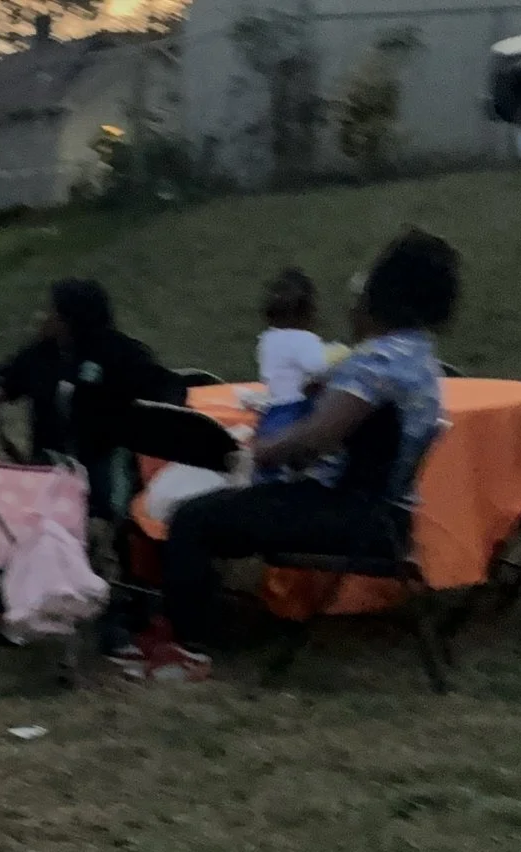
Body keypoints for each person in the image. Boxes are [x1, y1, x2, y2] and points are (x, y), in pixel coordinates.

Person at [150, 230, 459, 684]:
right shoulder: (421, 357)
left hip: (350, 515)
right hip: (389, 517)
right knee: (227, 514)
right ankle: (225, 617)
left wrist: (251, 454)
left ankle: (194, 643)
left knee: (192, 520)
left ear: (380, 296)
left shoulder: (376, 362)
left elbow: (313, 440)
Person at [0, 278, 183, 518]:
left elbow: (167, 388)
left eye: (51, 311)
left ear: (70, 318)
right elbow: (5, 375)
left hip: (103, 461)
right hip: (49, 462)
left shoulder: (118, 353)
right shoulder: (41, 354)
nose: (43, 317)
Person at [255, 268, 326, 448]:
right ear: (308, 312)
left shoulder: (266, 340)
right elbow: (322, 367)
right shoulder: (305, 340)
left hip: (273, 411)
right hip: (298, 412)